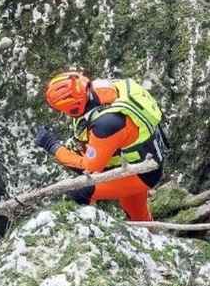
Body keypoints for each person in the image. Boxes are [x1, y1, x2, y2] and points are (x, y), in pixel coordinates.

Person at [35, 71, 167, 221]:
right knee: (136, 211)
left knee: (79, 191)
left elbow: (89, 169)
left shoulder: (107, 125)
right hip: (146, 158)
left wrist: (52, 146)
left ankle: (86, 234)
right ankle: (150, 236)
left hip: (141, 174)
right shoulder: (105, 89)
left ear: (74, 108)